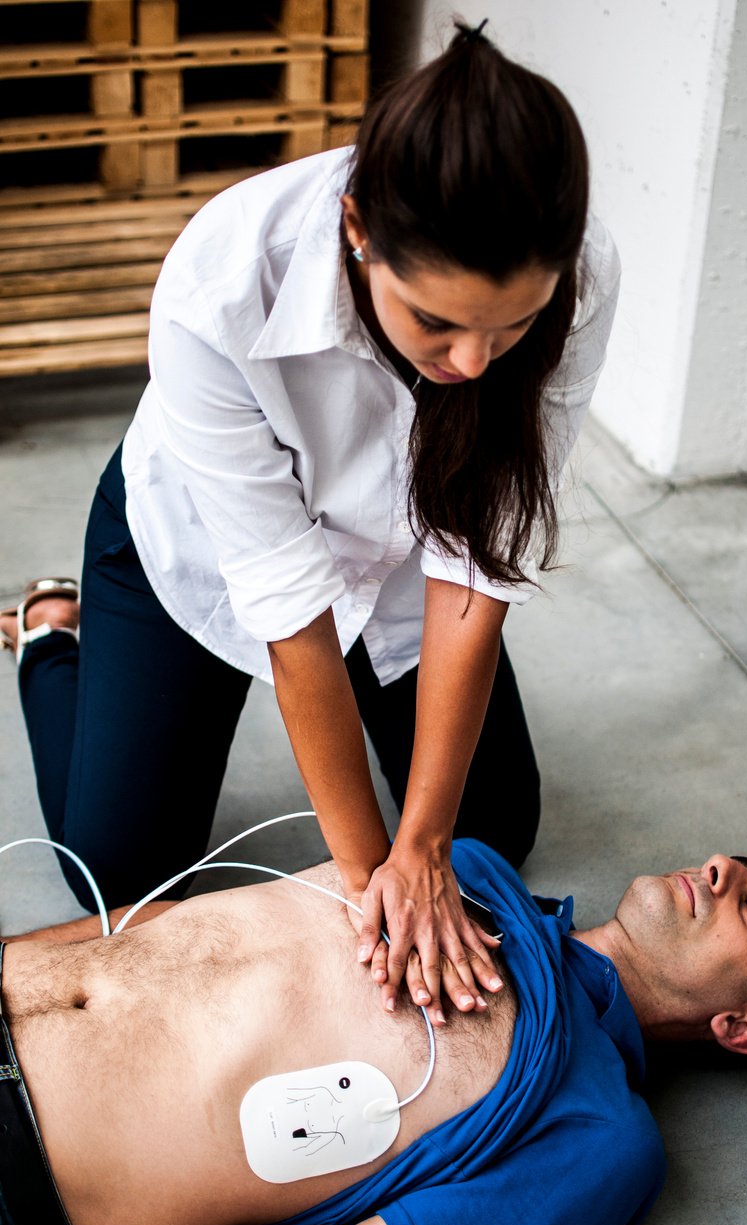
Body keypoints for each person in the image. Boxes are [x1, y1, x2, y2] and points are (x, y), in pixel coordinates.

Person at [0, 22, 619, 1020]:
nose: (473, 364)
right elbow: (295, 626)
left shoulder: (578, 271)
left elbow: (477, 570)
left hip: (404, 563)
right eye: (438, 324)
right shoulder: (221, 285)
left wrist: (421, 847)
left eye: (509, 330)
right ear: (360, 227)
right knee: (117, 881)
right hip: (201, 548)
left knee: (490, 835)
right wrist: (371, 876)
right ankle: (50, 633)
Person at [0, 836, 747, 1225]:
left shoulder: (600, 1136)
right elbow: (177, 920)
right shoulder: (461, 868)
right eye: (741, 864)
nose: (722, 868)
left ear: (741, 1027)